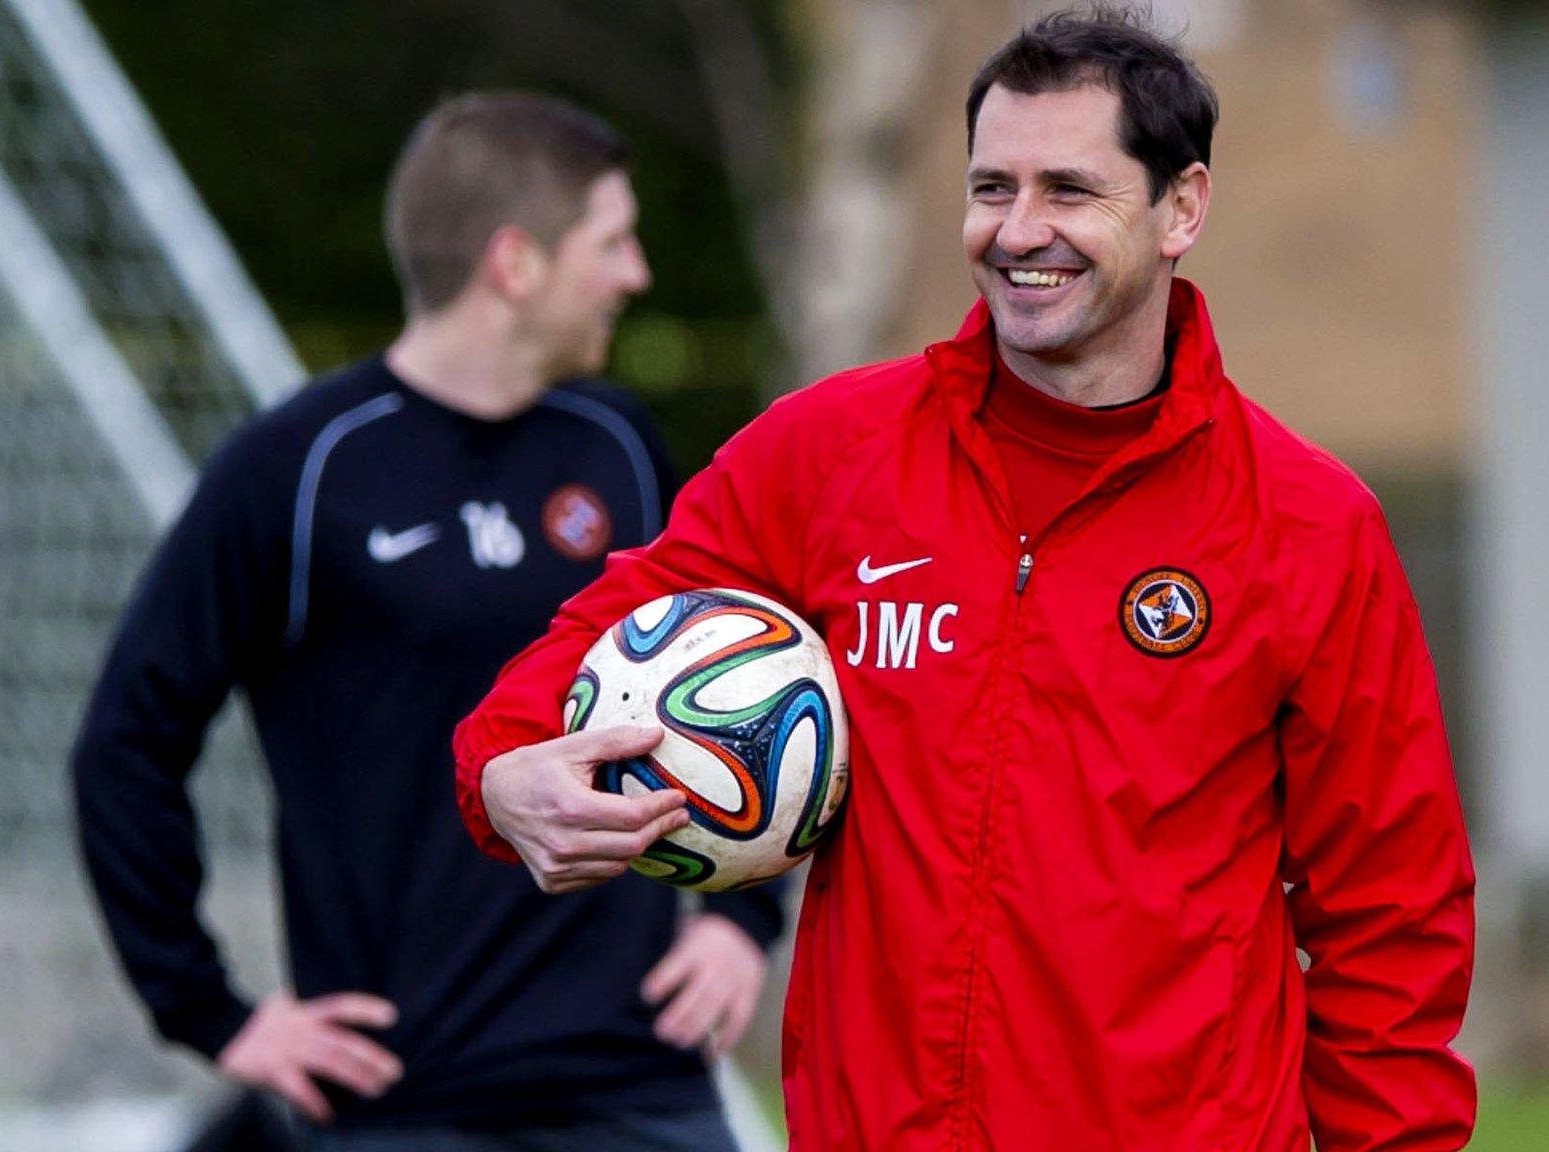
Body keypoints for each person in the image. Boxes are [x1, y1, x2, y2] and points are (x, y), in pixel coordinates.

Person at [452, 11, 1477, 1152]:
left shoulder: (1308, 526)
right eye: (991, 186)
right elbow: (600, 631)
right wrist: (502, 773)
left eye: (1068, 191)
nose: (1017, 230)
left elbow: (1391, 916)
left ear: (1181, 207)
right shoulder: (825, 455)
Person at [71, 93, 781, 1152]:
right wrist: (212, 1014)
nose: (636, 274)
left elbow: (745, 679)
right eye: (610, 242)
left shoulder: (619, 443)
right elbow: (125, 744)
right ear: (515, 265)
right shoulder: (300, 469)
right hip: (403, 1105)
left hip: (639, 1089)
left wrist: (739, 919)